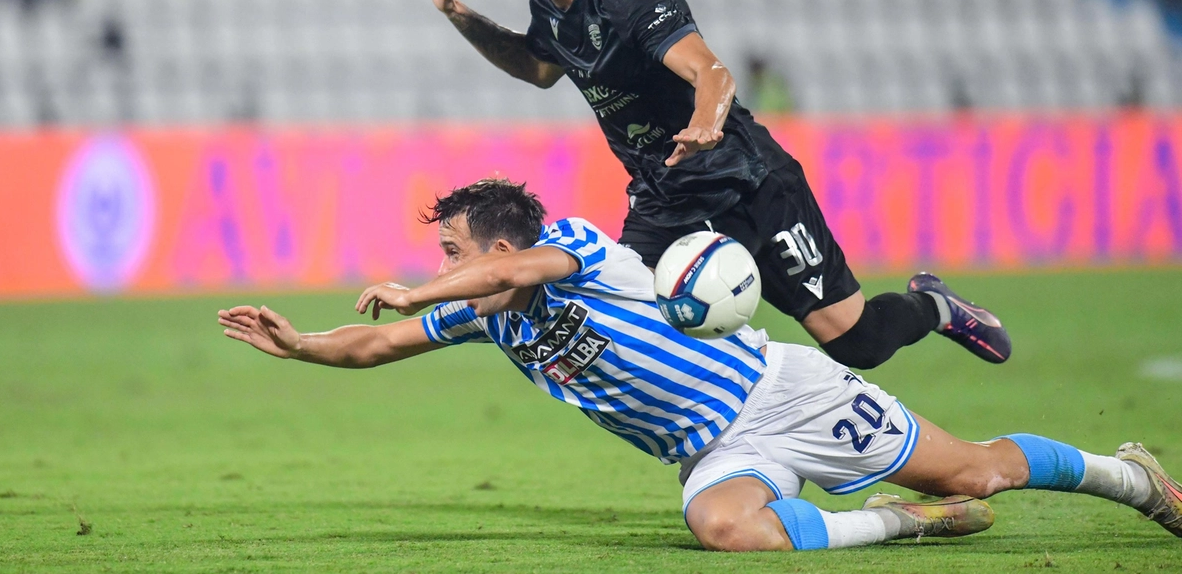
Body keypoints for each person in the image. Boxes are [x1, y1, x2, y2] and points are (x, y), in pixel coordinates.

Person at [219, 179, 1182, 552]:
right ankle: (900, 525)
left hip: (780, 392)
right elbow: (379, 343)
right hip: (714, 447)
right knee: (725, 528)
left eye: (453, 253)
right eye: (439, 261)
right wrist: (302, 342)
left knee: (980, 466)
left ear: (502, 245)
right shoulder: (486, 316)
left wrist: (416, 289)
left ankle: (1129, 476)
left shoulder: (578, 253)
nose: (444, 272)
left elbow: (521, 266)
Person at [405, 0, 1010, 371]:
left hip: (745, 181)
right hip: (664, 199)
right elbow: (536, 68)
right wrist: (458, 12)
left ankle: (932, 305)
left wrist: (706, 122)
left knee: (857, 344)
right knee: (622, 325)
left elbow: (712, 73)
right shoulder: (548, 8)